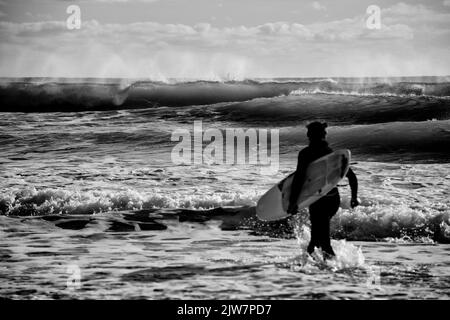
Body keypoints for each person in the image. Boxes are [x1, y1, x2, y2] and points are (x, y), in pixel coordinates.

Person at [287, 121, 359, 258]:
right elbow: (352, 177)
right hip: (331, 200)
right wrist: (354, 197)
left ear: (308, 135)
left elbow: (299, 179)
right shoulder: (331, 154)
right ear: (324, 135)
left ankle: (337, 268)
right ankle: (319, 267)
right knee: (316, 240)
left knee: (322, 242)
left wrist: (293, 202)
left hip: (319, 202)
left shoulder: (306, 154)